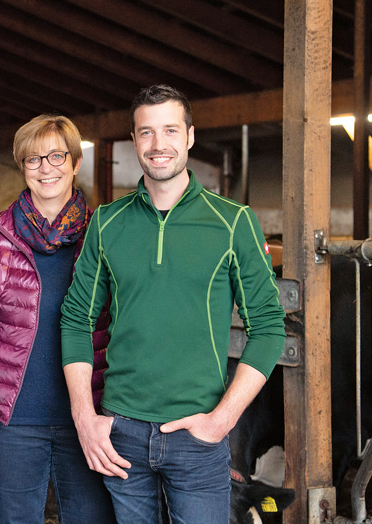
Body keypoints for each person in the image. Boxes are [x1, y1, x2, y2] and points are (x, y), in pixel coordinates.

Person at [60, 85, 286, 524]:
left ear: (190, 136)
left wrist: (221, 421)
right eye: (146, 132)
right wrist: (85, 418)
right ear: (134, 139)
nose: (158, 144)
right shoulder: (108, 222)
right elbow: (74, 320)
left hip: (198, 436)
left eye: (169, 130)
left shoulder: (233, 221)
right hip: (121, 433)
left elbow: (269, 327)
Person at [0, 114, 115, 524]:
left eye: (56, 156)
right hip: (12, 420)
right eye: (33, 159)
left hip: (88, 415)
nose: (46, 168)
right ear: (22, 167)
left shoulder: (104, 234)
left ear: (76, 163)